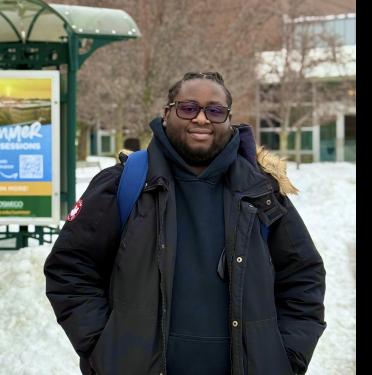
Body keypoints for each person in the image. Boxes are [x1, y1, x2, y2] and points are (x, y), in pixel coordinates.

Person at [44, 72, 326, 375]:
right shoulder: (123, 185)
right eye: (188, 108)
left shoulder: (262, 193)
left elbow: (303, 277)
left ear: (229, 120)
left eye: (215, 111)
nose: (202, 119)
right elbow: (70, 269)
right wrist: (105, 349)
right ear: (167, 114)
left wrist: (285, 358)